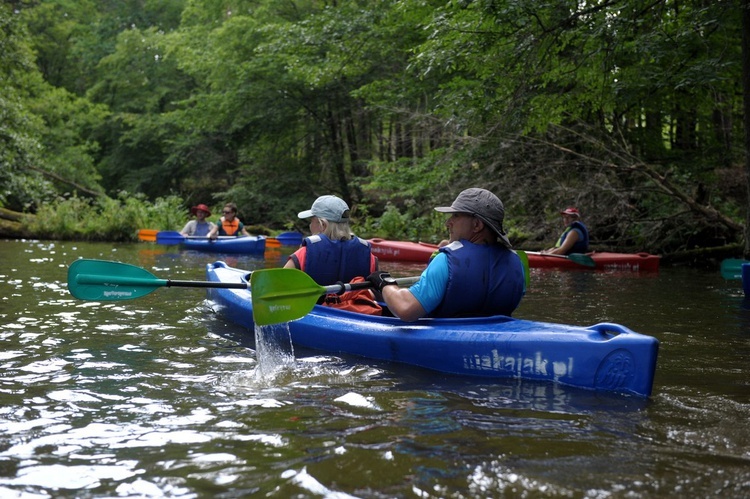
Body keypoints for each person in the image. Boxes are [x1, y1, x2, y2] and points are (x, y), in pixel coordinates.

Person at [367, 188, 525, 322]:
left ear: (477, 225)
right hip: (498, 338)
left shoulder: (447, 260)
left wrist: (384, 284)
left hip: (446, 340)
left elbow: (405, 308)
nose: (448, 222)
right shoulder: (518, 262)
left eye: (456, 216)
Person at [284, 195, 378, 286]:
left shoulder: (303, 254)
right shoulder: (369, 257)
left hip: (316, 302)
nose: (310, 226)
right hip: (355, 301)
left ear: (323, 225)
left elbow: (278, 285)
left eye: (311, 221)